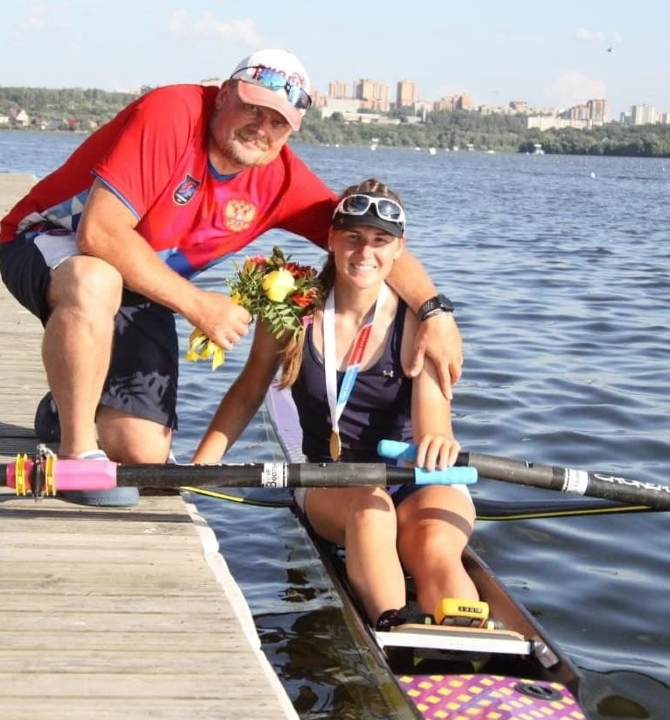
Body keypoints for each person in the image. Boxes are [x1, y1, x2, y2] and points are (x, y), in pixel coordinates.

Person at [0, 48, 461, 487]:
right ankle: (78, 451)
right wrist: (199, 305)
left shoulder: (280, 180)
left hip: (141, 283)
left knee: (142, 456)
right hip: (48, 241)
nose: (262, 127)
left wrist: (436, 313)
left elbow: (366, 244)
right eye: (253, 109)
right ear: (223, 94)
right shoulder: (172, 112)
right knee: (95, 279)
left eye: (278, 121)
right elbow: (97, 234)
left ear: (291, 131)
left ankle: (66, 402)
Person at [192, 179, 478, 628]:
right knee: (371, 509)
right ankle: (395, 628)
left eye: (381, 241)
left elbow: (433, 426)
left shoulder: (420, 324)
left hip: (410, 474)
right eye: (353, 237)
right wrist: (197, 471)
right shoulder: (290, 312)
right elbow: (248, 392)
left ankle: (471, 641)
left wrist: (439, 441)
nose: (366, 252)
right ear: (330, 239)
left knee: (436, 542)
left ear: (400, 249)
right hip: (327, 479)